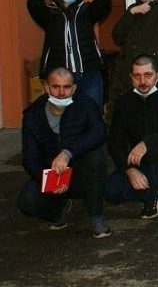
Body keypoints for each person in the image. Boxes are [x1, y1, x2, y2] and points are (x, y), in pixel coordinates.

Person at [17, 67, 111, 238]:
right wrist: (50, 180)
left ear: (74, 88)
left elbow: (99, 132)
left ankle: (96, 216)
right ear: (46, 87)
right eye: (56, 87)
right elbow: (30, 158)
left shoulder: (86, 104)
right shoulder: (33, 115)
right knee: (27, 202)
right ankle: (57, 214)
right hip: (50, 173)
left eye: (66, 87)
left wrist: (68, 153)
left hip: (80, 170)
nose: (61, 93)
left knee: (97, 158)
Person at [105, 55, 158, 233]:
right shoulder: (123, 103)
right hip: (141, 165)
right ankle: (150, 196)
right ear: (131, 77)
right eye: (137, 76)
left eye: (148, 75)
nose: (142, 81)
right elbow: (114, 143)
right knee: (112, 191)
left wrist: (147, 143)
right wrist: (129, 170)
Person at [27, 0, 111, 108]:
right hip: (60, 78)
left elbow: (104, 1)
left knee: (91, 115)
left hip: (89, 75)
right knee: (61, 118)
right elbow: (34, 3)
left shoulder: (87, 11)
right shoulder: (50, 14)